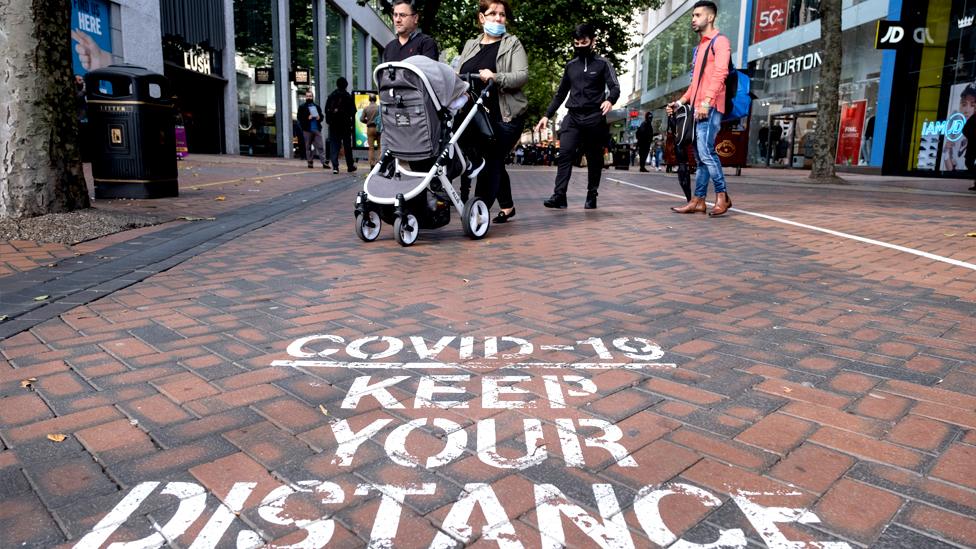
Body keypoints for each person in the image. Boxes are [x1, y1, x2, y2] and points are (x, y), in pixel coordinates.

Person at [534, 23, 620, 209]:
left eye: (584, 42)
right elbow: (560, 93)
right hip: (573, 117)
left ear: (593, 41)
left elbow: (615, 86)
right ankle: (559, 196)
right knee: (564, 154)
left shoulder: (603, 64)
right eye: (576, 43)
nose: (580, 46)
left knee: (594, 158)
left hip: (594, 117)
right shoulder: (570, 66)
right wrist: (546, 115)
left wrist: (610, 100)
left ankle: (592, 195)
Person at [668, 1, 731, 216]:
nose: (693, 19)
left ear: (710, 17)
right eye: (692, 15)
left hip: (710, 106)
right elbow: (695, 83)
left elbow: (721, 73)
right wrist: (680, 102)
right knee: (700, 155)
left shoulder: (720, 42)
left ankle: (723, 196)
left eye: (697, 15)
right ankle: (699, 200)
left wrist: (706, 102)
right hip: (697, 107)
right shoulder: (700, 47)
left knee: (706, 152)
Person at [325, 77, 357, 174]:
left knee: (334, 145)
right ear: (346, 85)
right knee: (347, 146)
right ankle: (350, 166)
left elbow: (326, 110)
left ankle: (335, 166)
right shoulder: (348, 97)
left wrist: (330, 121)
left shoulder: (331, 96)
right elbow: (353, 111)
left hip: (333, 125)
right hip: (345, 125)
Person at [297, 89, 329, 169]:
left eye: (310, 96)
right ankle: (310, 162)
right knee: (308, 147)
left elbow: (321, 116)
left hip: (316, 129)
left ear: (312, 97)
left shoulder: (317, 107)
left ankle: (324, 162)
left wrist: (319, 118)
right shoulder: (302, 107)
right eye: (307, 96)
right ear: (305, 97)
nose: (309, 97)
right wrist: (307, 118)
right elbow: (299, 118)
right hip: (307, 129)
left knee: (320, 146)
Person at [360, 94, 380, 168]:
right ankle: (379, 164)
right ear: (375, 99)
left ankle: (372, 164)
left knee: (371, 148)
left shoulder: (366, 108)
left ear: (369, 99)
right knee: (380, 147)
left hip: (370, 128)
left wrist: (367, 122)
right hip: (378, 128)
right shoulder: (379, 108)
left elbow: (361, 119)